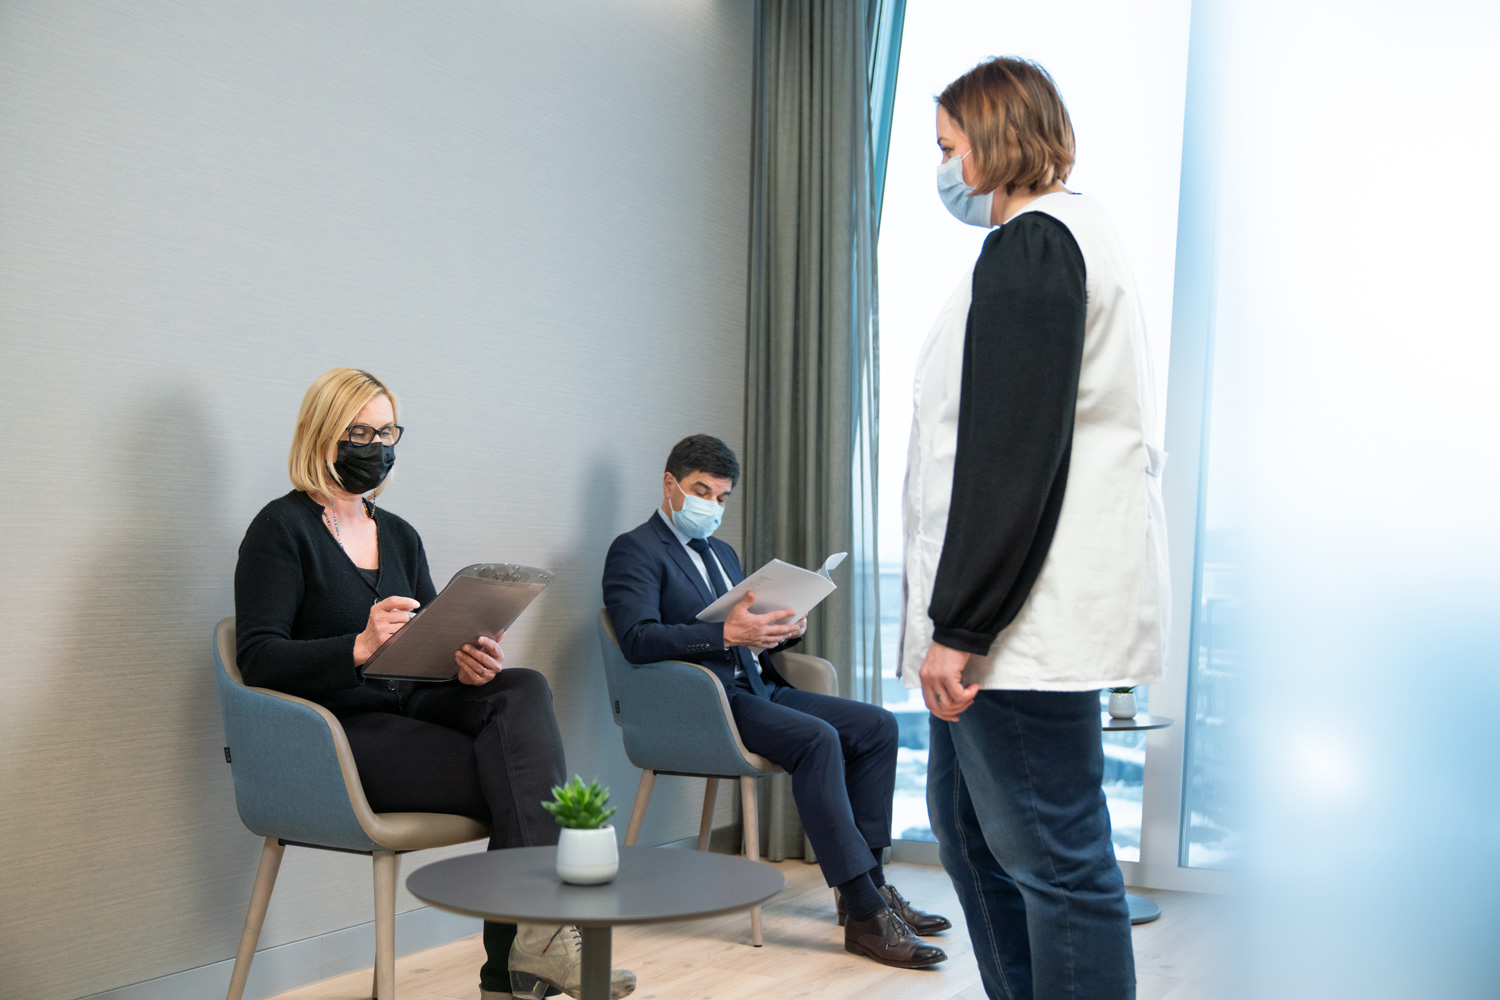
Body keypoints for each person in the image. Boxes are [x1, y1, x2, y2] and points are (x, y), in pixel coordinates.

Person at [234, 367, 636, 1000]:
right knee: (518, 774)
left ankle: (533, 949)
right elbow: (257, 659)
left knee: (521, 688)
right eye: (358, 430)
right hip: (335, 736)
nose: (376, 444)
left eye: (387, 430)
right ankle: (523, 960)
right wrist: (358, 647)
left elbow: (425, 645)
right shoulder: (280, 531)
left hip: (411, 707)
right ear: (320, 434)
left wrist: (463, 662)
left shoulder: (398, 534)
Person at [901, 57, 1170, 1000]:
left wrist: (963, 627)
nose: (945, 169)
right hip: (1016, 618)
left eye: (948, 147)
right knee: (970, 833)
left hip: (1015, 627)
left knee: (1055, 860)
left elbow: (1009, 456)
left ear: (995, 138)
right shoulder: (1059, 241)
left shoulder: (1035, 247)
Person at [603, 434, 949, 969]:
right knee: (817, 739)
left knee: (877, 726)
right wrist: (724, 638)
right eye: (702, 491)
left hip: (758, 685)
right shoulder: (635, 549)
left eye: (721, 497)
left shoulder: (723, 553)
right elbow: (638, 639)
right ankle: (864, 914)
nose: (712, 507)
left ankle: (873, 887)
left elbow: (744, 625)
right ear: (670, 484)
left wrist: (782, 629)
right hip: (709, 702)